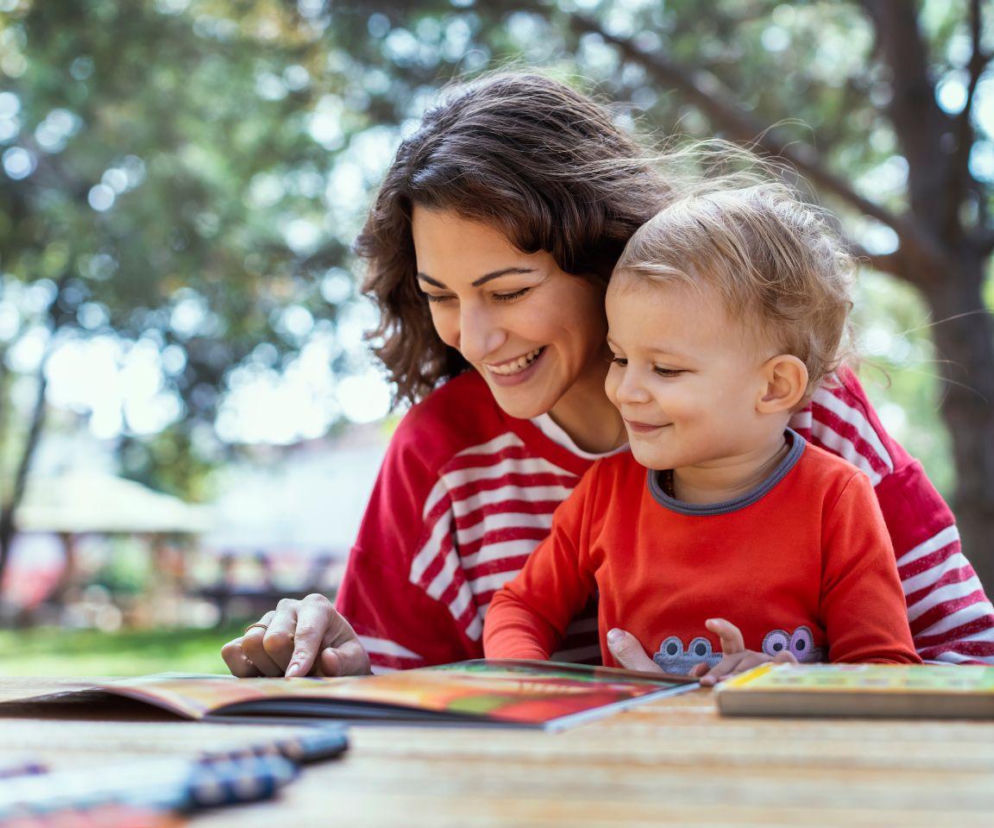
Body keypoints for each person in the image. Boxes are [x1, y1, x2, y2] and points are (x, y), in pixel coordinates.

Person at [220, 72, 994, 679]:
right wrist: (337, 666)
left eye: (509, 291)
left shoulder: (802, 408)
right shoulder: (440, 458)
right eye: (441, 297)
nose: (476, 337)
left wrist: (797, 689)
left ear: (604, 257)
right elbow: (404, 708)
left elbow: (969, 661)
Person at [482, 178, 922, 683]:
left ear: (776, 385)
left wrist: (784, 682)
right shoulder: (606, 495)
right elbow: (518, 608)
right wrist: (528, 682)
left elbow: (886, 671)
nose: (626, 390)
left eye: (665, 370)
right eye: (621, 358)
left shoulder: (836, 500)